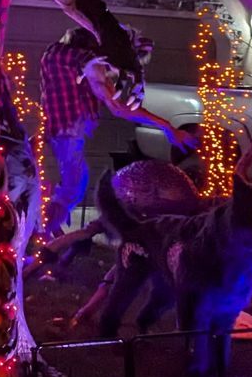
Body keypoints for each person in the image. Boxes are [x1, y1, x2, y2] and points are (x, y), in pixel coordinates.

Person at [37, 27, 197, 258]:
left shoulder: (57, 53)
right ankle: (46, 244)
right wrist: (167, 127)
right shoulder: (87, 60)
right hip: (67, 132)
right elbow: (119, 108)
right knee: (74, 186)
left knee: (70, 185)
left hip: (59, 128)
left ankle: (49, 233)